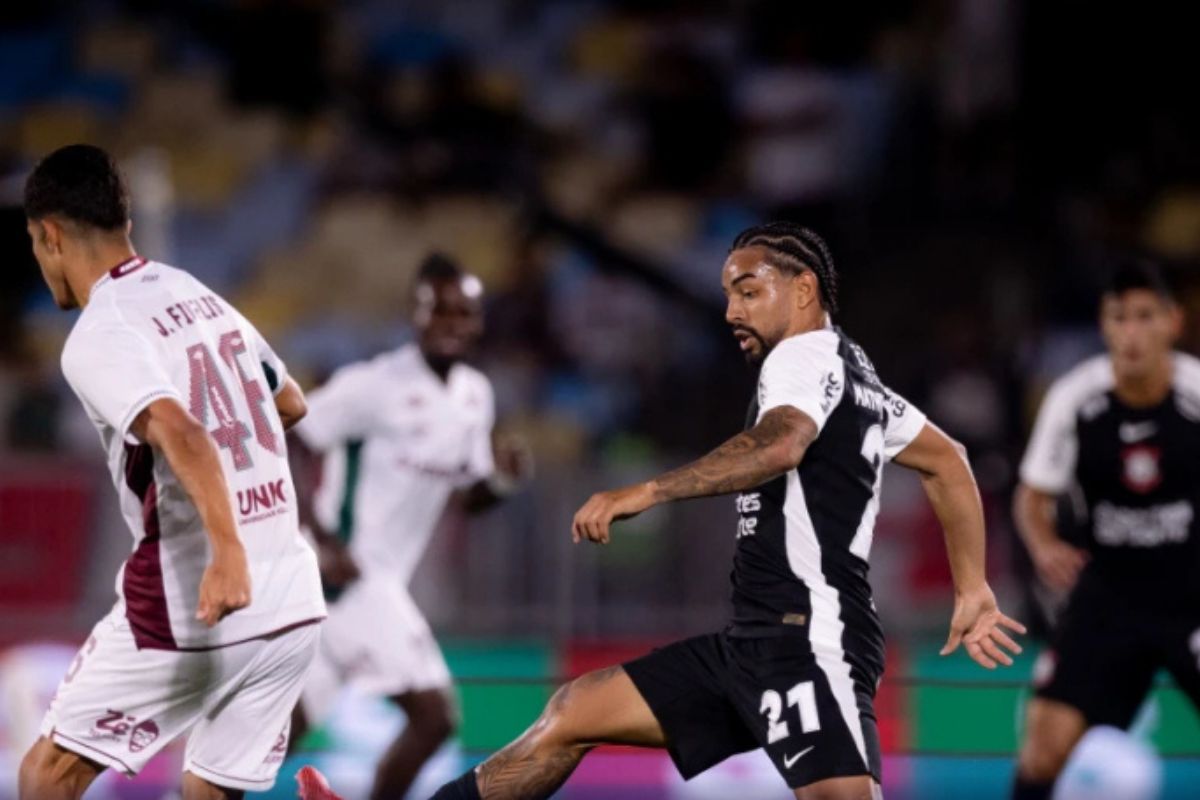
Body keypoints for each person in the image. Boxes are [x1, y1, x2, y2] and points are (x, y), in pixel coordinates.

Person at [432, 222, 1025, 800]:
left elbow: (781, 443)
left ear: (802, 291)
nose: (732, 312)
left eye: (749, 291)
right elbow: (948, 460)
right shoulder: (853, 373)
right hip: (753, 641)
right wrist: (971, 587)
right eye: (728, 296)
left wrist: (647, 492)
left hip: (809, 642)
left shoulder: (802, 357)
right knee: (573, 712)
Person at [16, 144, 325, 800]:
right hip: (292, 600)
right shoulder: (196, 293)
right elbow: (289, 402)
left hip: (194, 603)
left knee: (46, 777)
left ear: (48, 235)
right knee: (208, 793)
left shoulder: (101, 332)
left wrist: (227, 552)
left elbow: (180, 430)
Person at [288, 253, 529, 800]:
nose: (450, 324)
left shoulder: (474, 396)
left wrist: (504, 484)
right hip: (347, 574)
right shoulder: (373, 384)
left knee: (285, 730)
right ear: (414, 316)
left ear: (478, 321)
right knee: (434, 715)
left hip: (380, 580)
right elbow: (290, 438)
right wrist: (320, 541)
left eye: (462, 313)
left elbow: (465, 498)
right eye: (437, 311)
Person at [1010, 259, 1200, 799]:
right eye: (1121, 318)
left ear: (1173, 322)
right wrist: (1044, 544)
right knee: (1042, 750)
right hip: (1108, 599)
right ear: (1104, 324)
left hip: (1191, 597)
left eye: (1145, 317)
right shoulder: (1075, 399)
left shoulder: (1196, 394)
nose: (1132, 333)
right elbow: (1032, 495)